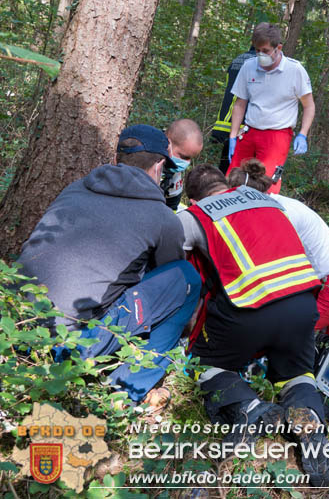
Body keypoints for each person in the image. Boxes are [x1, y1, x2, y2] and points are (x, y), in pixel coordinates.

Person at [17, 125, 202, 405]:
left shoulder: (75, 189)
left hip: (16, 328)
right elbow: (167, 279)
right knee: (187, 279)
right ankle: (124, 392)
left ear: (117, 160)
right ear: (160, 165)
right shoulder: (163, 218)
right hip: (69, 346)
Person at [178, 164, 329, 486]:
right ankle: (311, 422)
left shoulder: (195, 216)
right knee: (296, 373)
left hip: (249, 308)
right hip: (304, 303)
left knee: (201, 363)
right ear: (225, 184)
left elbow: (182, 268)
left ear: (193, 199)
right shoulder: (268, 200)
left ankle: (246, 406)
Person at [228, 158, 329, 334]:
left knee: (290, 335)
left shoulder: (281, 214)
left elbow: (271, 265)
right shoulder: (272, 204)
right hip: (328, 280)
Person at [227, 22, 314, 193]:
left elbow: (309, 106)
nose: (260, 55)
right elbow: (240, 103)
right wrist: (232, 136)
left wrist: (303, 134)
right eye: (257, 50)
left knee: (266, 187)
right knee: (233, 180)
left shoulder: (294, 70)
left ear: (278, 48)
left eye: (265, 51)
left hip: (277, 135)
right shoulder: (249, 66)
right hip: (249, 131)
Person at [212, 44, 257, 172]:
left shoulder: (238, 59)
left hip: (225, 118)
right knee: (237, 165)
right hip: (241, 121)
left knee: (225, 160)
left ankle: (221, 188)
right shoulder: (255, 63)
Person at [162, 119, 204, 210]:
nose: (187, 163)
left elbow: (172, 202)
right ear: (168, 143)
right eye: (184, 157)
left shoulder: (173, 168)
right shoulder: (144, 158)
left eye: (190, 158)